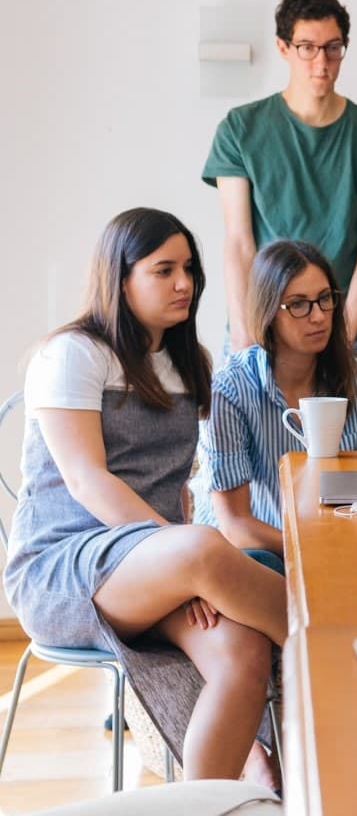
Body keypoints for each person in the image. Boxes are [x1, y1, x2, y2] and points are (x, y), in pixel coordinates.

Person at [2, 208, 287, 783]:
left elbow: (176, 484)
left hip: (158, 566)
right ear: (121, 276)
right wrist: (183, 558)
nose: (184, 283)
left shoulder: (188, 364)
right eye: (164, 270)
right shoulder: (73, 354)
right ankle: (343, 652)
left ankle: (209, 799)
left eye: (189, 269)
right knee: (208, 549)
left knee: (243, 654)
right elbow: (88, 480)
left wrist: (182, 564)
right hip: (65, 568)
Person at [202, 0, 357, 363]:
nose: (322, 62)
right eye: (307, 48)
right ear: (284, 48)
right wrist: (245, 337)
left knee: (346, 426)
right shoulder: (240, 129)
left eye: (333, 47)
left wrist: (341, 343)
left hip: (345, 329)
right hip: (262, 329)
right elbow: (239, 243)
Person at [193, 239, 357, 562]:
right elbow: (235, 526)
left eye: (325, 299)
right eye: (298, 304)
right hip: (249, 554)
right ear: (268, 312)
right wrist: (312, 549)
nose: (318, 317)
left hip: (334, 548)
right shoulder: (229, 389)